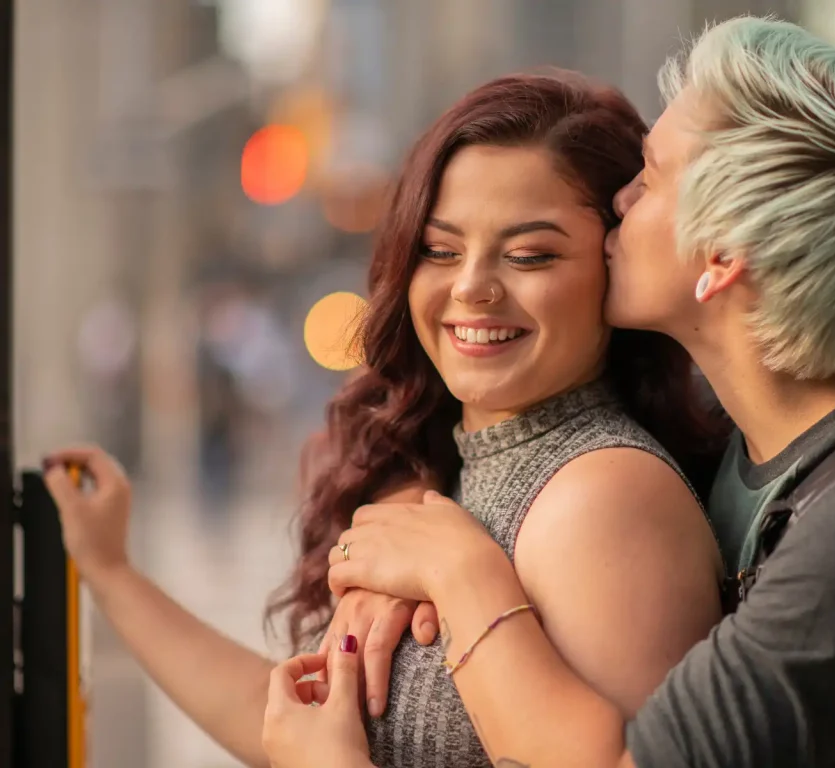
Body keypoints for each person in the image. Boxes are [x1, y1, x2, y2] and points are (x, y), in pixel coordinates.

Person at [310, 16, 835, 768]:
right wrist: (406, 523)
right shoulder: (750, 438)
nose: (620, 201)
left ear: (720, 257)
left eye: (649, 178)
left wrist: (460, 574)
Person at [43, 71, 727, 767]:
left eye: (529, 255)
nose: (471, 287)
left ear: (616, 259)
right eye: (440, 250)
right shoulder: (458, 472)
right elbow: (288, 722)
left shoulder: (603, 496)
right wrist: (112, 572)